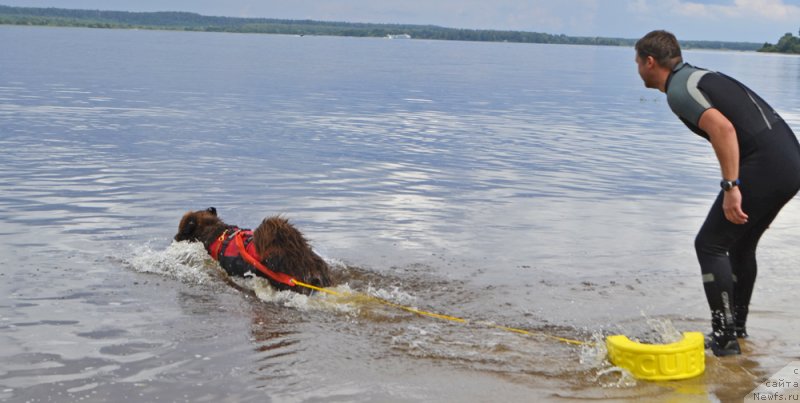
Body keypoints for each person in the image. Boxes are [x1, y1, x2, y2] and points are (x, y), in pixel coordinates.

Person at [634, 30, 800, 356]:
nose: (638, 70)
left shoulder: (679, 91)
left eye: (638, 63)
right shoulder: (700, 76)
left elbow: (723, 130)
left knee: (709, 244)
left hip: (766, 164)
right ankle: (736, 331)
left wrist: (731, 187)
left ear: (650, 62)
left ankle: (724, 339)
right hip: (790, 163)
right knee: (739, 243)